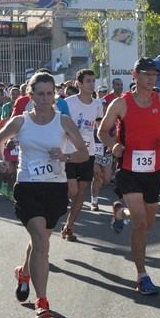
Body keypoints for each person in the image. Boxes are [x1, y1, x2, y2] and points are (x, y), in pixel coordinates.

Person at [0, 72, 89, 318]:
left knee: (40, 242)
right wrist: (0, 160)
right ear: (31, 95)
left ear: (54, 94)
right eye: (40, 94)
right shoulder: (20, 122)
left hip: (55, 189)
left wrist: (65, 157)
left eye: (49, 94)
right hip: (27, 188)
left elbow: (83, 153)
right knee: (42, 244)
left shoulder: (64, 121)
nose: (46, 99)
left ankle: (23, 273)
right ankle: (42, 299)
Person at [97, 58, 160, 295]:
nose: (151, 79)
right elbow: (102, 131)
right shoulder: (121, 104)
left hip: (154, 170)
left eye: (154, 75)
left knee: (148, 223)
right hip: (129, 170)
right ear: (135, 75)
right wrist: (113, 145)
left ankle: (121, 212)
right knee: (140, 224)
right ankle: (142, 276)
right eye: (146, 74)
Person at [61, 69, 103, 241]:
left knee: (81, 192)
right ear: (79, 84)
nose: (92, 84)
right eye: (88, 81)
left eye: (93, 81)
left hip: (88, 153)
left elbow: (100, 128)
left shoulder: (97, 104)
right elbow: (57, 124)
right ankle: (55, 206)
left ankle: (69, 227)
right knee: (72, 190)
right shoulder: (67, 103)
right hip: (69, 152)